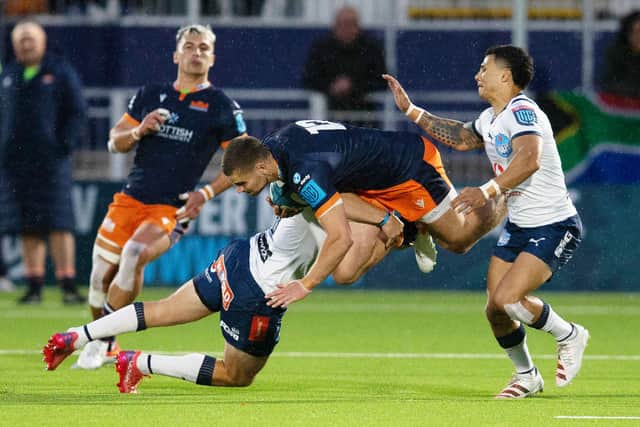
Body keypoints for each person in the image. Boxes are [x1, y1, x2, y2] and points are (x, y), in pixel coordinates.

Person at [384, 45, 589, 399]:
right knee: (496, 308)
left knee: (511, 299)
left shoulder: (523, 111)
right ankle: (527, 376)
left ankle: (569, 334)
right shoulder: (491, 117)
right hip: (520, 227)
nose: (478, 75)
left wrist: (487, 191)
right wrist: (412, 111)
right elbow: (463, 138)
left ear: (506, 76)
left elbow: (529, 161)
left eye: (484, 68)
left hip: (554, 224)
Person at [76, 24, 247, 370]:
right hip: (129, 200)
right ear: (176, 54)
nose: (196, 52)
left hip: (171, 206)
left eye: (203, 48)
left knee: (134, 254)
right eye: (189, 46)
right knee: (97, 281)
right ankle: (104, 340)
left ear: (212, 58)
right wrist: (139, 130)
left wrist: (207, 192)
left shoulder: (221, 106)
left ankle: (102, 341)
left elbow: (245, 162)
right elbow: (114, 141)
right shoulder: (149, 95)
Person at [43, 212, 356, 392]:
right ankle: (138, 362)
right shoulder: (331, 202)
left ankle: (76, 336)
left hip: (240, 255)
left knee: (163, 308)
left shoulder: (306, 177)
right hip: (259, 289)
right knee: (237, 375)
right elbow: (345, 270)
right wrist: (385, 230)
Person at [221, 119, 504, 308]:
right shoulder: (273, 150)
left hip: (408, 168)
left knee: (458, 240)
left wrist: (304, 286)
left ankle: (507, 193)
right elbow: (327, 191)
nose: (239, 190)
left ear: (259, 167)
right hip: (367, 184)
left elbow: (340, 238)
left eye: (240, 184)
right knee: (344, 273)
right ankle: (407, 226)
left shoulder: (305, 169)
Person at [0, 20, 85, 304]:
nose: (26, 44)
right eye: (21, 39)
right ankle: (34, 285)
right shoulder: (9, 73)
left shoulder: (59, 71)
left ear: (42, 41)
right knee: (28, 226)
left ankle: (67, 284)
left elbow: (76, 111)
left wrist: (63, 146)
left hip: (52, 162)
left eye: (30, 39)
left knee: (60, 223)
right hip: (15, 164)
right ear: (13, 45)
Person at [302, 6, 387, 126]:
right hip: (329, 118)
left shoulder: (371, 49)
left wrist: (354, 86)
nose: (346, 28)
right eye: (341, 24)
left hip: (364, 120)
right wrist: (331, 86)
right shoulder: (322, 49)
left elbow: (382, 80)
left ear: (358, 26)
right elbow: (309, 78)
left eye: (350, 24)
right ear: (334, 26)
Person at [599, 10, 640, 98]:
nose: (639, 37)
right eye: (636, 32)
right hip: (625, 106)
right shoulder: (616, 54)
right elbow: (610, 84)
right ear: (627, 34)